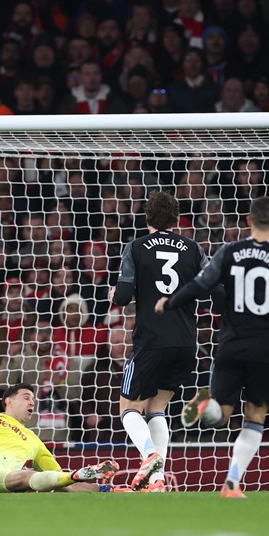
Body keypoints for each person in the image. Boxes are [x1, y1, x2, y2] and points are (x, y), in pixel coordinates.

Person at [155, 196, 269, 497]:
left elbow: (200, 285)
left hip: (231, 344)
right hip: (267, 348)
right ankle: (231, 483)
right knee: (255, 416)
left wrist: (170, 301)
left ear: (249, 221)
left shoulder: (229, 251)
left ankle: (206, 405)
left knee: (223, 415)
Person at [109, 190, 212, 491]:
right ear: (177, 218)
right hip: (185, 342)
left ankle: (149, 455)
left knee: (128, 408)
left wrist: (116, 295)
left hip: (152, 340)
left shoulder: (137, 247)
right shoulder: (193, 248)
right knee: (157, 408)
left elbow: (124, 295)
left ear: (147, 217)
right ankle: (158, 480)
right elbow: (210, 287)